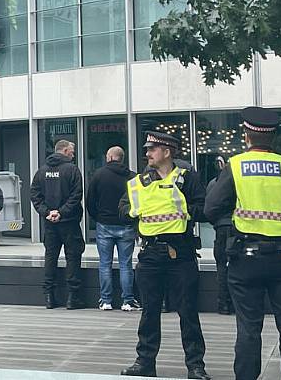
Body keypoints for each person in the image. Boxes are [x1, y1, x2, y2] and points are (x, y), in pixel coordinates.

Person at [205, 107, 281, 380]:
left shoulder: (236, 165)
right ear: (274, 137)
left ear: (247, 135)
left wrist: (232, 221)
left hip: (246, 257)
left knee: (248, 328)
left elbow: (211, 208)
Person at [118, 132, 210, 380]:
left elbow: (204, 208)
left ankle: (195, 365)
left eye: (152, 149)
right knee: (149, 311)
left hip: (181, 253)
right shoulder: (139, 181)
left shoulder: (187, 179)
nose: (147, 153)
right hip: (150, 254)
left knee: (188, 312)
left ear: (167, 152)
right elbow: (123, 209)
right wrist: (132, 212)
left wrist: (183, 210)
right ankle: (145, 361)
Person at [30, 140, 85, 309]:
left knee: (50, 257)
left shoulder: (41, 171)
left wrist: (47, 212)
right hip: (69, 222)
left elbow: (35, 194)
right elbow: (77, 195)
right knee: (73, 257)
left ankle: (49, 297)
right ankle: (72, 297)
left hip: (50, 224)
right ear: (66, 151)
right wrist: (62, 212)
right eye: (72, 152)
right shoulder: (72, 170)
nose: (73, 155)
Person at [86, 146, 140, 312]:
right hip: (126, 224)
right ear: (122, 158)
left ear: (109, 157)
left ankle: (106, 300)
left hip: (104, 224)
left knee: (105, 264)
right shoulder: (132, 177)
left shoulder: (99, 175)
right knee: (126, 264)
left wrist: (98, 218)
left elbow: (90, 201)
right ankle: (127, 301)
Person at [205, 155, 233, 315]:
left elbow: (209, 208)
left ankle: (223, 304)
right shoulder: (238, 183)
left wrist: (216, 223)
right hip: (237, 228)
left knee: (221, 267)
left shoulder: (213, 184)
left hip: (221, 228)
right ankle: (234, 302)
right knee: (237, 266)